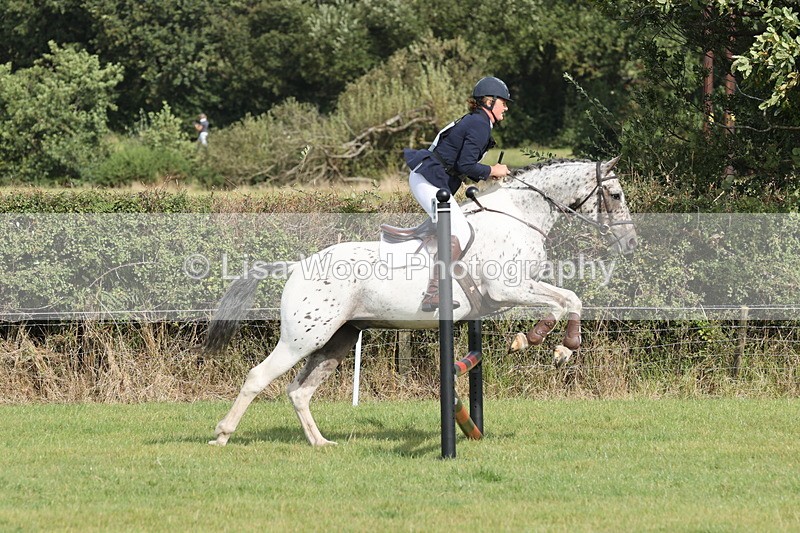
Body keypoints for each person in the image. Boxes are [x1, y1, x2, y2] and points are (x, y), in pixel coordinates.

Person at [402, 76, 511, 312]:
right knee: (459, 230)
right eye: (503, 102)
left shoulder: (477, 121)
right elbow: (465, 165)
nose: (507, 107)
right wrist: (493, 170)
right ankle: (434, 293)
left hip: (429, 178)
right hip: (427, 179)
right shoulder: (480, 124)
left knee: (451, 227)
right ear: (489, 101)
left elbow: (463, 164)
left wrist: (488, 174)